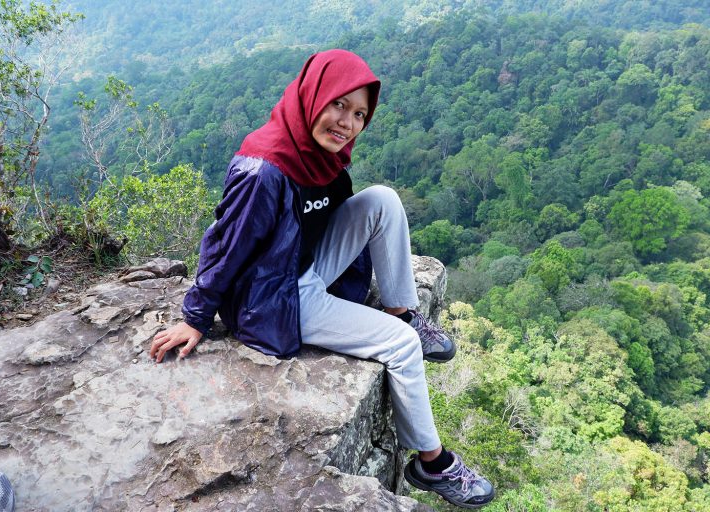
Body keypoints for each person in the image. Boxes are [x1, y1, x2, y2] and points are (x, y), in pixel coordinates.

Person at [149, 49, 494, 509]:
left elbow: (326, 217)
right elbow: (227, 244)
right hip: (274, 297)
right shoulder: (264, 170)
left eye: (359, 114)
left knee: (382, 200)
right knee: (401, 346)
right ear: (314, 96)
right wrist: (195, 317)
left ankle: (401, 311)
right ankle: (432, 463)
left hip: (302, 266)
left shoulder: (319, 154)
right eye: (339, 105)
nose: (347, 123)